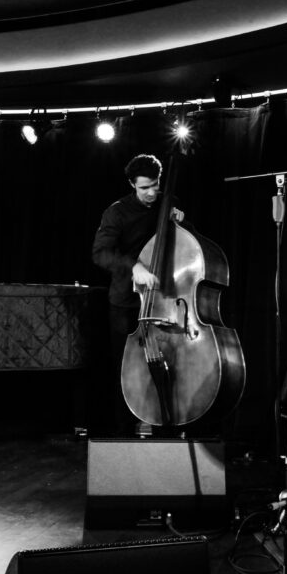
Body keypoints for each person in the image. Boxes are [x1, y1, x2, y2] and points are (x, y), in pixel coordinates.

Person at [91, 154, 183, 436]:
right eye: (144, 188)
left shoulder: (163, 208)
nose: (152, 192)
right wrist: (134, 266)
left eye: (155, 185)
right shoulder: (117, 212)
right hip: (126, 303)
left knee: (170, 365)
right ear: (132, 184)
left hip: (162, 302)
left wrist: (180, 225)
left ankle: (168, 424)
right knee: (127, 369)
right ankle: (125, 432)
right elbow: (101, 253)